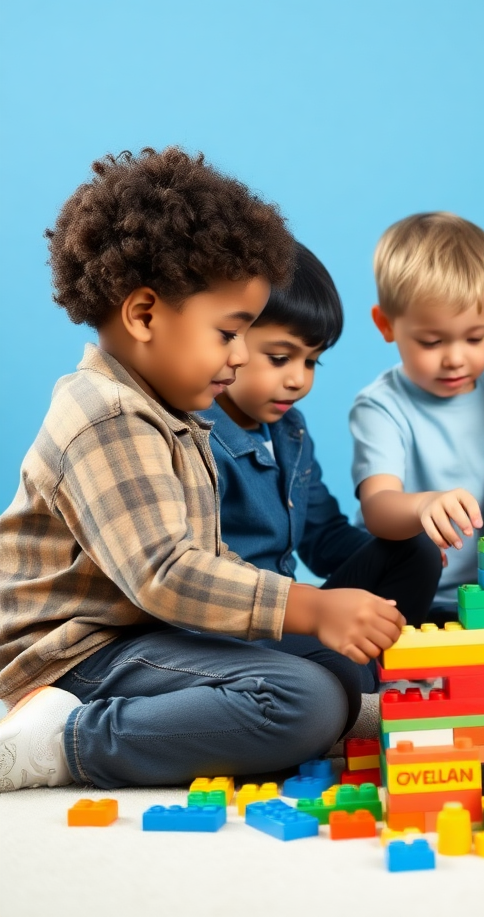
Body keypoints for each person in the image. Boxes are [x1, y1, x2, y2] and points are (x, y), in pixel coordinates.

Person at [0, 148, 404, 792]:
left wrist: (318, 621)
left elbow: (210, 559)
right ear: (144, 315)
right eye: (227, 333)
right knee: (303, 701)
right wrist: (309, 606)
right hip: (74, 652)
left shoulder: (174, 414)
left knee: (334, 666)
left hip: (147, 635)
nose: (240, 355)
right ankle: (60, 741)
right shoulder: (105, 414)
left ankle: (313, 712)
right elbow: (165, 575)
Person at [200, 243, 441, 700]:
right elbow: (196, 574)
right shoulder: (205, 437)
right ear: (230, 339)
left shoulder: (289, 429)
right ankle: (353, 676)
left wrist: (391, 551)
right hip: (237, 626)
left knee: (415, 551)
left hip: (299, 612)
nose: (298, 379)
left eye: (311, 361)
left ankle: (379, 660)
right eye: (279, 358)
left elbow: (323, 533)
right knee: (343, 678)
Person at [350, 212, 484, 621]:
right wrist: (424, 506)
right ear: (386, 324)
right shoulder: (382, 406)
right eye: (432, 341)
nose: (456, 358)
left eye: (476, 337)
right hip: (407, 591)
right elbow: (378, 506)